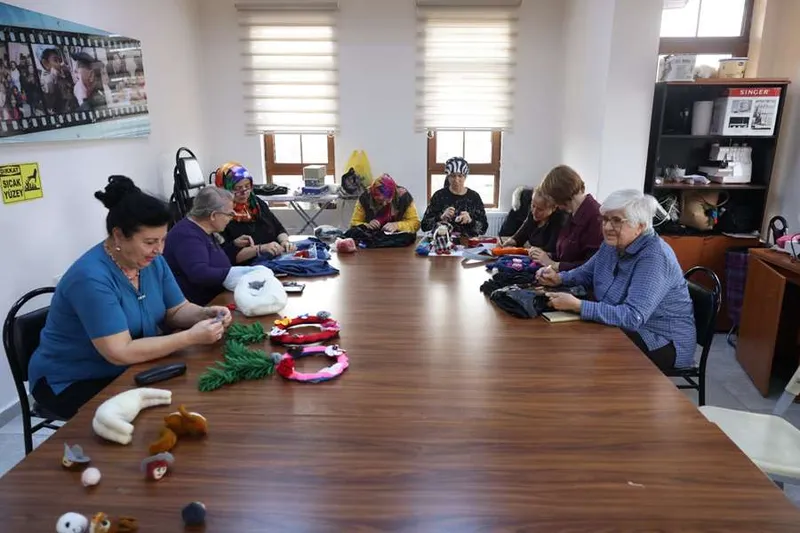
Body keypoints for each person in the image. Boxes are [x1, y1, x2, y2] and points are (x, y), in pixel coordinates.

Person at [28, 176, 234, 419]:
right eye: (150, 242)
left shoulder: (151, 261)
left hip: (126, 367)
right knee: (158, 416)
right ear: (118, 236)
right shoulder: (90, 278)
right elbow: (120, 352)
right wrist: (190, 337)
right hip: (73, 379)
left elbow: (177, 310)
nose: (159, 250)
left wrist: (204, 314)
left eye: (163, 240)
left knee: (190, 395)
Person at [537, 189, 695, 371]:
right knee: (570, 339)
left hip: (661, 340)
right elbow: (587, 272)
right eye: (605, 219)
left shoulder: (655, 258)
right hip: (625, 327)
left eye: (617, 220)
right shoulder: (613, 244)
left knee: (585, 348)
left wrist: (578, 306)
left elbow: (633, 317)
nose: (607, 227)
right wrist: (558, 278)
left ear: (640, 226)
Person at [164, 187, 266, 305]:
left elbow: (215, 261)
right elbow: (199, 273)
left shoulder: (204, 230)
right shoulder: (187, 236)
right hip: (203, 304)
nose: (231, 218)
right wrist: (233, 273)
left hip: (217, 297)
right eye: (229, 214)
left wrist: (234, 246)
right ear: (213, 215)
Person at [214, 162, 296, 256]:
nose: (244, 192)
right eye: (237, 188)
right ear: (224, 189)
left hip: (275, 254)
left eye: (247, 186)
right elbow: (226, 255)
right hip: (252, 262)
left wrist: (285, 242)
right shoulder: (222, 214)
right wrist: (261, 249)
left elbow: (279, 229)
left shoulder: (256, 203)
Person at [537, 164, 603, 271]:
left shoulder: (595, 217)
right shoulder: (571, 213)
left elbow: (591, 267)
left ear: (560, 195)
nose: (555, 205)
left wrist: (553, 264)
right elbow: (567, 254)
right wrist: (547, 256)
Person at [421, 157, 487, 236]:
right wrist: (440, 217)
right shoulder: (439, 196)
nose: (456, 180)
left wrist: (470, 221)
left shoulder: (474, 197)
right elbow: (424, 226)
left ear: (465, 177)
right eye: (453, 176)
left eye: (460, 176)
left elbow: (484, 228)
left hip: (467, 240)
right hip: (443, 240)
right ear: (448, 177)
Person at [502, 187, 567, 259]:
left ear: (553, 208)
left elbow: (550, 251)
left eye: (540, 209)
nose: (534, 212)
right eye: (533, 206)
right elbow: (520, 236)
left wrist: (527, 251)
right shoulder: (533, 214)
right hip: (532, 257)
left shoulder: (559, 222)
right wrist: (508, 243)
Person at [349, 173, 421, 233]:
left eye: (388, 200)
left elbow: (415, 223)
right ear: (373, 196)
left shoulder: (403, 196)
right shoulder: (365, 198)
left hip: (398, 239)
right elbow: (354, 223)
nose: (384, 204)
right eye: (380, 201)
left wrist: (397, 226)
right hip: (372, 239)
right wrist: (367, 225)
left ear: (393, 194)